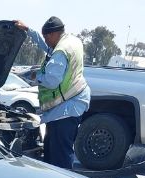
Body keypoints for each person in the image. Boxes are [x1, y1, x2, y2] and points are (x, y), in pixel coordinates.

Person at [14, 17, 90, 169]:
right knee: (54, 151)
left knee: (59, 156)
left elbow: (52, 80)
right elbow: (46, 47)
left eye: (46, 37)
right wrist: (28, 30)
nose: (46, 41)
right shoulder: (72, 42)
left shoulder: (60, 52)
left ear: (52, 34)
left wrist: (36, 77)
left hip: (66, 110)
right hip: (74, 103)